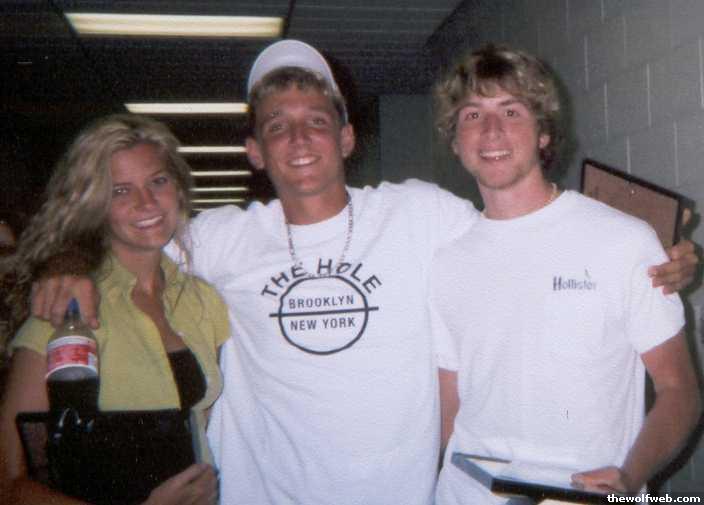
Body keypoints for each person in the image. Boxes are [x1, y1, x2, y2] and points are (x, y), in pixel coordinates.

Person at [28, 40, 699, 505]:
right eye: (278, 126)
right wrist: (66, 260)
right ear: (254, 150)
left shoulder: (423, 215)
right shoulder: (223, 239)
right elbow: (130, 235)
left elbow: (531, 228)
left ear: (347, 137)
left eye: (317, 121)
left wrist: (661, 247)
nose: (300, 139)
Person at [430, 44, 702, 504]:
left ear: (543, 134)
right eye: (473, 115)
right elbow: (448, 407)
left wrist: (629, 477)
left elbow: (680, 391)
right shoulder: (446, 259)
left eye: (511, 111)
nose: (492, 130)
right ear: (456, 141)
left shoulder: (624, 239)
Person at [0, 114, 229, 505]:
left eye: (158, 181)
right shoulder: (67, 304)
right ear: (94, 204)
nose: (146, 202)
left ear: (178, 187)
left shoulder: (203, 301)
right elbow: (8, 480)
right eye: (121, 190)